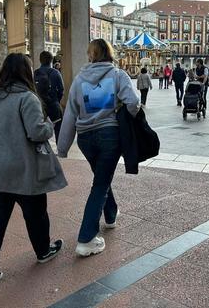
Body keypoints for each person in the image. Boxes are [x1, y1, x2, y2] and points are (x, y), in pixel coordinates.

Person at [0, 53, 67, 287]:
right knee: (36, 213)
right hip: (24, 169)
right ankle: (43, 251)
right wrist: (48, 128)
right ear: (26, 72)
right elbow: (36, 132)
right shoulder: (27, 98)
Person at [57, 39, 139, 257]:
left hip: (85, 138)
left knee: (101, 178)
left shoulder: (79, 79)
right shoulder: (118, 75)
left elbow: (70, 114)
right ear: (109, 53)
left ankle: (110, 215)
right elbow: (133, 102)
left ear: (91, 55)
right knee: (100, 183)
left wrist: (63, 146)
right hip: (110, 135)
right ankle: (86, 238)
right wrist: (123, 112)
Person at [34, 51, 65, 142]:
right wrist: (56, 100)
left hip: (39, 105)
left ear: (40, 60)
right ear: (51, 60)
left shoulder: (35, 73)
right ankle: (59, 148)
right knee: (58, 127)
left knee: (39, 128)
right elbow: (61, 89)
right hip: (53, 104)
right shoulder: (55, 72)